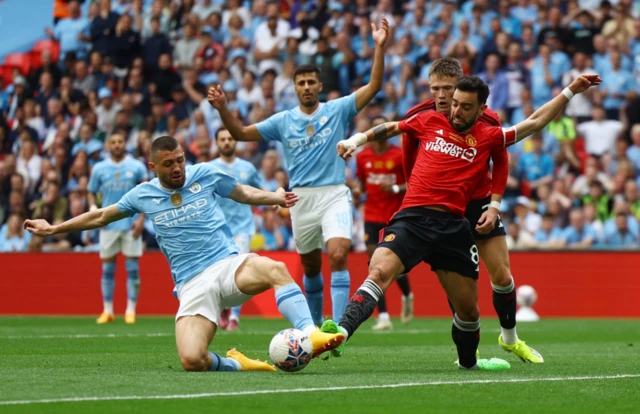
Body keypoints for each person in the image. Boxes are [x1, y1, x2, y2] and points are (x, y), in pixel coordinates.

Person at [322, 74, 601, 370]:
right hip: (413, 219)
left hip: (453, 227)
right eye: (454, 103)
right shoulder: (428, 120)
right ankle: (340, 333)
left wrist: (571, 90)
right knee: (378, 271)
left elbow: (533, 123)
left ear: (481, 109)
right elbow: (391, 128)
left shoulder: (489, 135)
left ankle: (469, 363)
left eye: (465, 107)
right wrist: (357, 139)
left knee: (468, 311)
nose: (456, 111)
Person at [24, 135, 345, 372]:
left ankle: (311, 334)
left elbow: (242, 192)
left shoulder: (204, 174)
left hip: (227, 265)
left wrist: (273, 198)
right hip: (191, 285)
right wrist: (53, 228)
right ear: (153, 166)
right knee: (192, 359)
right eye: (169, 164)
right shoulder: (143, 194)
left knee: (275, 268)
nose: (178, 168)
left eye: (179, 160)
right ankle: (243, 365)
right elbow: (99, 216)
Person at [206, 18, 390, 326]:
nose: (306, 87)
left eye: (310, 82)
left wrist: (379, 47)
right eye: (301, 83)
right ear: (294, 88)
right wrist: (223, 108)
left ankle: (341, 328)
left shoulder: (337, 108)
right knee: (311, 268)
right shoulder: (282, 120)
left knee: (339, 254)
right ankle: (317, 327)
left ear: (319, 86)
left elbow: (374, 86)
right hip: (300, 199)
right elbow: (239, 133)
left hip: (333, 193)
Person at [394, 57, 541, 363]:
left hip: (478, 203)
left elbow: (500, 160)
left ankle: (510, 338)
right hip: (441, 206)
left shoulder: (487, 119)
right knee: (456, 279)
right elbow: (409, 152)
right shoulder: (419, 116)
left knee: (501, 275)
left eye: (448, 88)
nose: (442, 95)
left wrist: (496, 203)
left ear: (460, 87)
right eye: (435, 88)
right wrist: (414, 193)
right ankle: (469, 350)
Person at [355, 116, 413, 331]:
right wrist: (358, 190)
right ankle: (384, 316)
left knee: (395, 268)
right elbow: (362, 183)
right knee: (374, 265)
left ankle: (407, 294)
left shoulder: (399, 155)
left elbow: (414, 183)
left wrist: (396, 189)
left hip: (395, 217)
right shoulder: (363, 157)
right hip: (371, 216)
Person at [88, 134, 148, 325]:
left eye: (120, 141)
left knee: (132, 269)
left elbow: (146, 194)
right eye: (113, 142)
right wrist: (92, 208)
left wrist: (141, 220)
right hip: (108, 224)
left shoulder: (137, 166)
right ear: (108, 145)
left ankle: (130, 310)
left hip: (130, 224)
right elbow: (91, 191)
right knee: (107, 269)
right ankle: (108, 310)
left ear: (125, 144)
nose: (116, 145)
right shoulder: (99, 168)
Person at [211, 127, 264, 331]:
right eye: (222, 139)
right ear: (217, 143)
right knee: (217, 272)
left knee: (238, 271)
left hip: (242, 227)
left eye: (230, 138)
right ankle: (221, 308)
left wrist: (274, 202)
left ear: (236, 142)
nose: (226, 142)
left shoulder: (247, 168)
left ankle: (234, 316)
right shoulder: (210, 168)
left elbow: (259, 191)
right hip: (217, 228)